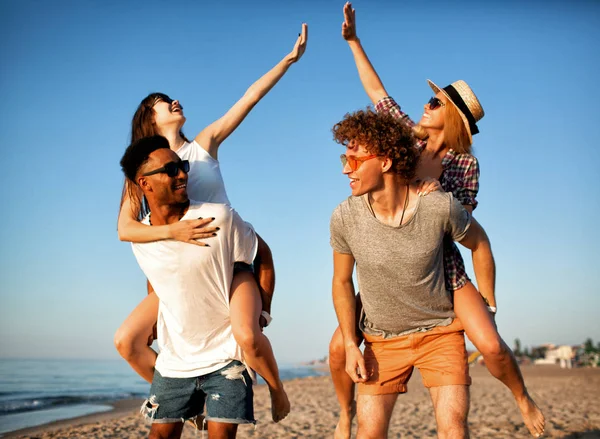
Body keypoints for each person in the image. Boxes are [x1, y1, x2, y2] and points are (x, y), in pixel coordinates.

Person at [328, 4, 545, 438]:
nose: (424, 105)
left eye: (434, 102)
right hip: (394, 266)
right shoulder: (405, 136)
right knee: (338, 347)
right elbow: (377, 92)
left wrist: (488, 296)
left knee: (490, 344)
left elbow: (460, 228)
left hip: (443, 272)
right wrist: (353, 41)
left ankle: (522, 397)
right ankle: (345, 412)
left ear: (453, 117)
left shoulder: (464, 166)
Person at [114, 23, 308, 424]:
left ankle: (274, 389)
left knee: (248, 337)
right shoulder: (141, 175)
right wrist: (172, 237)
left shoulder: (202, 146)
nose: (175, 102)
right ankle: (187, 404)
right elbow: (128, 232)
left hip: (227, 260)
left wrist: (287, 61)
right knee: (128, 341)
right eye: (164, 102)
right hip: (175, 271)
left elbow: (248, 98)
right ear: (149, 119)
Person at [330, 109, 494, 438]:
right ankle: (345, 412)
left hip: (440, 332)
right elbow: (341, 281)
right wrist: (351, 344)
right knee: (369, 431)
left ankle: (522, 396)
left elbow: (479, 242)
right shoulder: (344, 216)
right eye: (344, 158)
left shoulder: (440, 202)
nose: (347, 168)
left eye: (356, 160)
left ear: (387, 163)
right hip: (382, 340)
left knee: (453, 428)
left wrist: (488, 304)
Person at [121, 136, 259, 439]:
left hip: (226, 354)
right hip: (176, 361)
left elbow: (259, 253)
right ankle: (193, 406)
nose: (183, 174)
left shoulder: (217, 215)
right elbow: (156, 273)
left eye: (182, 166)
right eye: (170, 170)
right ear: (144, 184)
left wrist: (262, 309)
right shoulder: (139, 237)